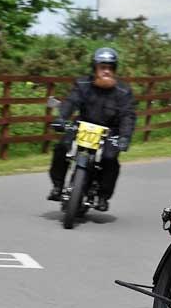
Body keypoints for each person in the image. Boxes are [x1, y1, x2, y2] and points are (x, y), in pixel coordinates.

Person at [47, 47, 137, 212]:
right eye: (102, 67)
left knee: (110, 158)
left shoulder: (123, 91)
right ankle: (58, 186)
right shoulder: (83, 84)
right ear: (94, 68)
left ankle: (103, 195)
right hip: (82, 126)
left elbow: (127, 115)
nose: (106, 71)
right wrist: (61, 118)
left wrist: (125, 137)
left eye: (110, 67)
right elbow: (70, 102)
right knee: (61, 148)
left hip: (110, 131)